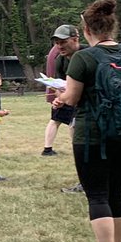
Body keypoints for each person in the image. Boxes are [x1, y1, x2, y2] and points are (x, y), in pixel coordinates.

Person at [53, 0, 121, 242]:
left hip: (92, 135)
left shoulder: (83, 58)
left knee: (97, 195)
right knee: (117, 191)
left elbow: (72, 97)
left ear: (86, 31)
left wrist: (60, 97)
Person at [42, 25, 80, 156]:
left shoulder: (88, 54)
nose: (59, 46)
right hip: (71, 97)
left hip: (89, 101)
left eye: (63, 42)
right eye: (57, 43)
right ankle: (48, 149)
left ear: (75, 39)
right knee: (64, 121)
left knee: (73, 122)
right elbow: (60, 84)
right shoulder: (60, 60)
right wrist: (59, 99)